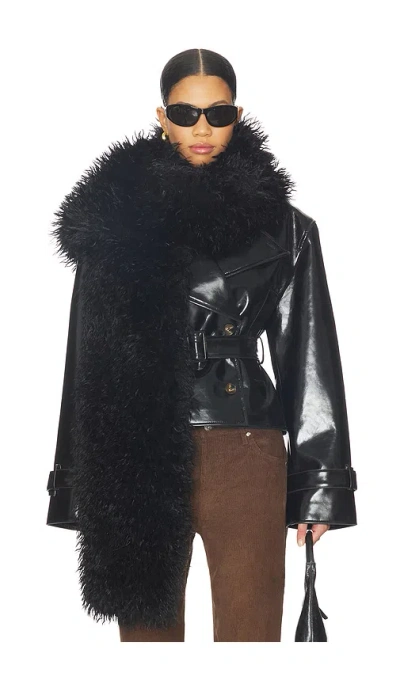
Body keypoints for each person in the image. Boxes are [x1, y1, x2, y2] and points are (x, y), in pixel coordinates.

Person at [45, 48, 358, 642]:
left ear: (237, 115)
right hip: (134, 454)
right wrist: (76, 484)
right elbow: (85, 360)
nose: (202, 128)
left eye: (218, 113)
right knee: (148, 650)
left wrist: (319, 490)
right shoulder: (112, 221)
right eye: (185, 113)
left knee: (250, 642)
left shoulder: (286, 229)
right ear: (161, 117)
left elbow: (309, 358)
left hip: (244, 451)